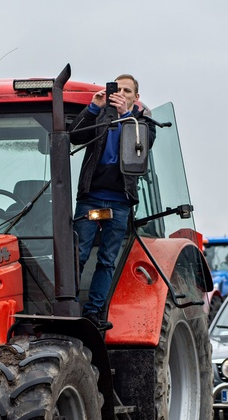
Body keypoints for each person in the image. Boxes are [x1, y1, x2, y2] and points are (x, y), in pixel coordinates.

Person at [70, 74, 157, 331]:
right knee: (78, 255)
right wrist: (94, 106)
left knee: (107, 259)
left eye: (127, 91)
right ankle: (69, 307)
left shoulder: (142, 123)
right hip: (91, 195)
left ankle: (94, 311)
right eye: (116, 89)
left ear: (136, 97)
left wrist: (124, 115)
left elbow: (144, 144)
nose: (121, 94)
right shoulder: (99, 116)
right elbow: (74, 136)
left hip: (120, 200)